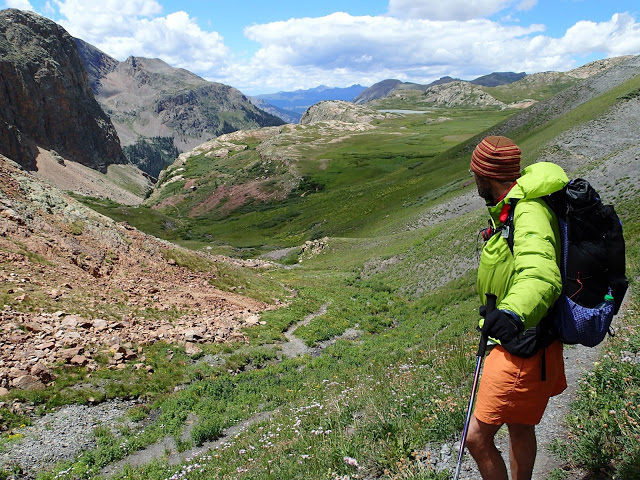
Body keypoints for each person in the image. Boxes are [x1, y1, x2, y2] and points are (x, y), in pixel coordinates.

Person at [465, 136, 568, 480]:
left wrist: (511, 313)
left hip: (521, 344)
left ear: (486, 176)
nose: (473, 180)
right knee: (520, 426)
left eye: (475, 174)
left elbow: (542, 273)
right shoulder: (511, 209)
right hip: (526, 339)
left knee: (476, 438)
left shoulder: (528, 212)